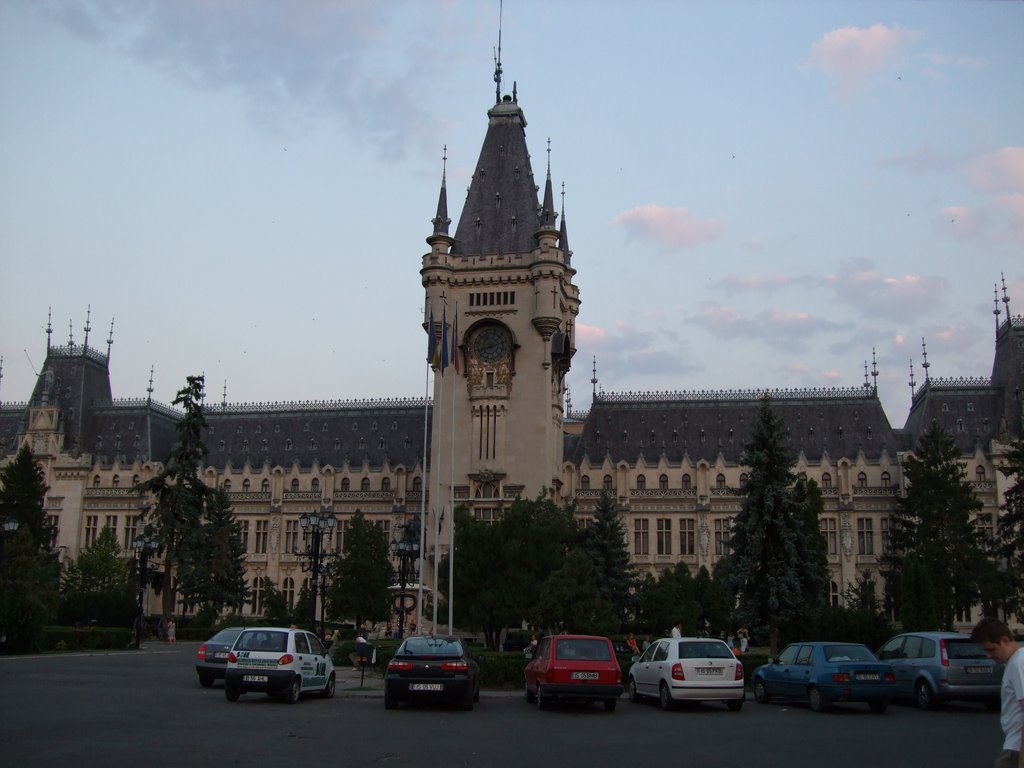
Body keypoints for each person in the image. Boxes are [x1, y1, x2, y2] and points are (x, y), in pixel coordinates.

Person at [971, 618, 1023, 768]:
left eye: (991, 649)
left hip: (1016, 749)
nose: (988, 655)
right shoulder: (1016, 661)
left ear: (1005, 640)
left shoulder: (1018, 663)